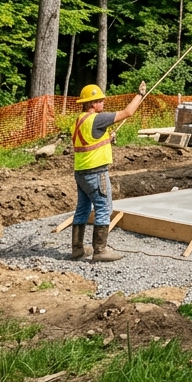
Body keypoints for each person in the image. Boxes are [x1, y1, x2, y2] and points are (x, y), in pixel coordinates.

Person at [71, 82, 146, 262]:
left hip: (81, 171)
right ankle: (100, 251)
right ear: (92, 103)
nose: (103, 104)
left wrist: (106, 138)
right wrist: (140, 94)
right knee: (104, 207)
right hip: (96, 172)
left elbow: (89, 141)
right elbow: (128, 112)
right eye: (100, 101)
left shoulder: (80, 120)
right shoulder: (98, 118)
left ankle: (77, 249)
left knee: (82, 209)